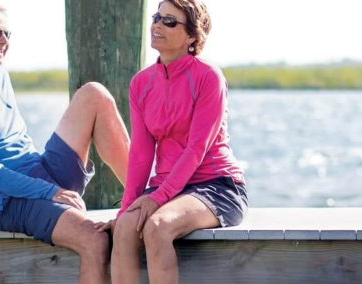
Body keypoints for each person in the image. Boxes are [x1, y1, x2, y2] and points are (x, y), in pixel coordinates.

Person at [0, 1, 131, 283]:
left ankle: (142, 196)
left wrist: (48, 186)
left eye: (6, 33)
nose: (3, 40)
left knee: (93, 94)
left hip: (39, 172)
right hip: (4, 201)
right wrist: (48, 192)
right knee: (95, 239)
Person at [95, 1, 249, 283]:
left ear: (192, 36)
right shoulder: (141, 83)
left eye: (169, 21)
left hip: (216, 185)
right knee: (125, 228)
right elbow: (141, 154)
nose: (157, 25)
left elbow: (196, 149)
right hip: (168, 187)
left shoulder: (209, 77)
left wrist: (156, 199)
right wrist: (126, 209)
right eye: (157, 17)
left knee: (157, 226)